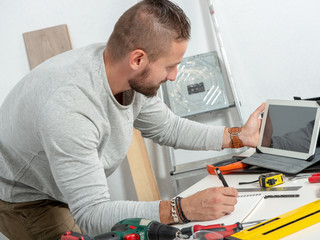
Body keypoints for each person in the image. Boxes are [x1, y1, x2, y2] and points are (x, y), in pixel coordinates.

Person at [0, 0, 265, 239]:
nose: (173, 76)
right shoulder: (69, 110)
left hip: (60, 187)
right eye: (170, 66)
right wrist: (182, 208)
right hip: (26, 200)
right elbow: (92, 214)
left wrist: (238, 136)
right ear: (138, 59)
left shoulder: (124, 72)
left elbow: (167, 127)